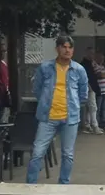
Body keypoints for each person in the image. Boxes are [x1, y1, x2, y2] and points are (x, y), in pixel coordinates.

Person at [27, 36, 88, 185]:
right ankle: (30, 186)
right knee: (37, 153)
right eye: (64, 47)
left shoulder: (79, 69)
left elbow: (83, 94)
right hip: (48, 117)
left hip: (70, 118)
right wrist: (46, 102)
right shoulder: (45, 67)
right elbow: (37, 89)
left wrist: (73, 105)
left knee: (68, 155)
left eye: (70, 48)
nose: (67, 50)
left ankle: (63, 186)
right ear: (57, 49)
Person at [79, 49, 101, 134]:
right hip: (89, 88)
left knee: (89, 107)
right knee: (93, 107)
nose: (93, 56)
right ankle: (95, 125)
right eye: (91, 54)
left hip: (90, 87)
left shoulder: (90, 64)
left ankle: (87, 125)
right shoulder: (85, 65)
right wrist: (89, 86)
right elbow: (86, 77)